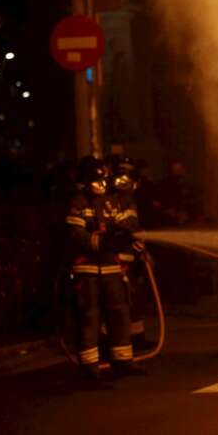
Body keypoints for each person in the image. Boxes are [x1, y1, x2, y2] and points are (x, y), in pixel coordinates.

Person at [66, 157, 145, 380]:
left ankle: (122, 360)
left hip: (111, 267)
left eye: (103, 181)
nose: (102, 185)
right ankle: (89, 367)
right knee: (90, 316)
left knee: (119, 312)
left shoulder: (110, 202)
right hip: (88, 270)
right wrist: (99, 242)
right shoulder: (78, 203)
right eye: (97, 181)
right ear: (85, 182)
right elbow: (75, 235)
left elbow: (124, 224)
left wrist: (128, 236)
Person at [107, 155, 151, 351]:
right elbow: (119, 228)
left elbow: (133, 225)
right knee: (119, 302)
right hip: (116, 259)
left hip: (129, 257)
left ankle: (137, 337)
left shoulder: (129, 199)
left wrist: (140, 246)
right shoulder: (112, 199)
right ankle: (112, 342)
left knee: (134, 299)